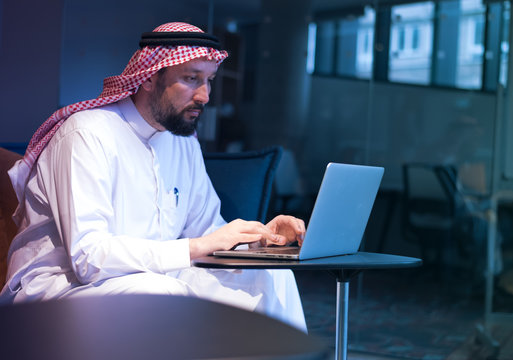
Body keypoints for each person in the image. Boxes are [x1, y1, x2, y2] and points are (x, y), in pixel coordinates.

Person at [0, 22, 307, 331]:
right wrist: (193, 248)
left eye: (209, 80)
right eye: (191, 79)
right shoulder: (86, 134)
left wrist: (260, 241)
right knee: (164, 294)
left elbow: (207, 230)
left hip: (158, 278)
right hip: (59, 291)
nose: (205, 95)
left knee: (273, 276)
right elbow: (88, 259)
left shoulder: (182, 142)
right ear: (148, 78)